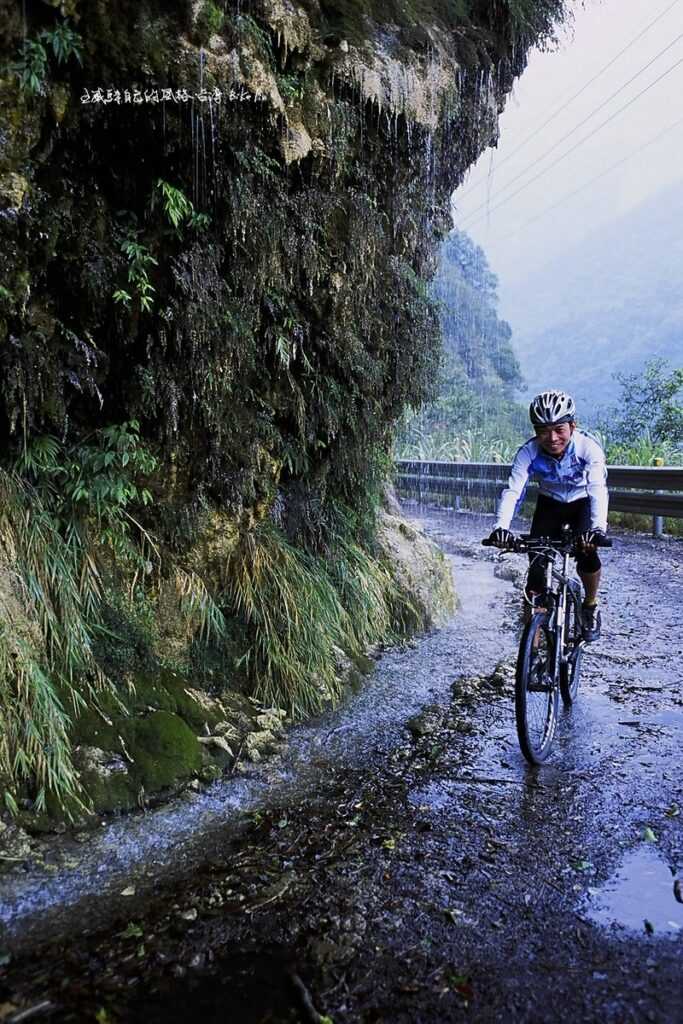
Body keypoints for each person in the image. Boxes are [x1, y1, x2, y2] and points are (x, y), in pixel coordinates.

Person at [486, 389, 608, 642]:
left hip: (581, 502)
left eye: (559, 429)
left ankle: (590, 605)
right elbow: (513, 491)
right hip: (549, 504)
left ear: (572, 426)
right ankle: (533, 645)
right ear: (535, 430)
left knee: (587, 552)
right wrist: (501, 528)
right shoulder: (528, 452)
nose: (551, 438)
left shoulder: (589, 449)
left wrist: (597, 528)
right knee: (537, 569)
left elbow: (597, 489)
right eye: (543, 430)